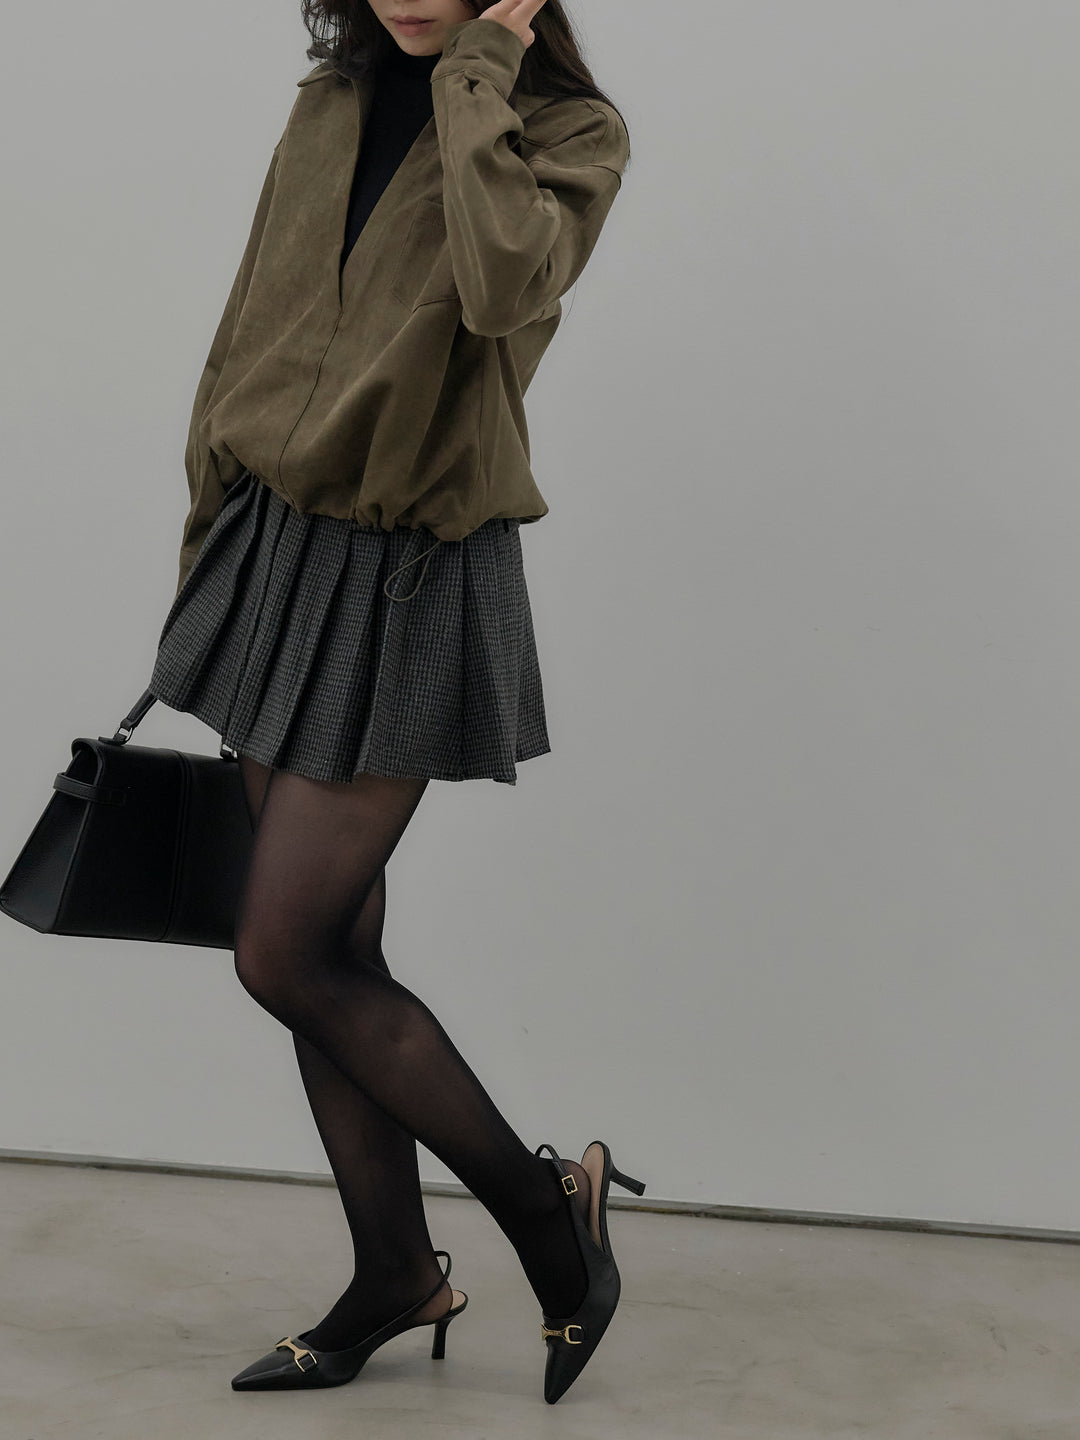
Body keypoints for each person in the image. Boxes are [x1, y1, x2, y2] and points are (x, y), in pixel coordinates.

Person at [149, 0, 643, 1406]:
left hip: (411, 566)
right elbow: (245, 329)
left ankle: (550, 1217)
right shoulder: (328, 105)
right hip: (275, 548)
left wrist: (480, 73)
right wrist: (206, 541)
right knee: (333, 946)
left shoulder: (566, 131)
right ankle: (394, 1271)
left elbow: (502, 287)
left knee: (283, 951)